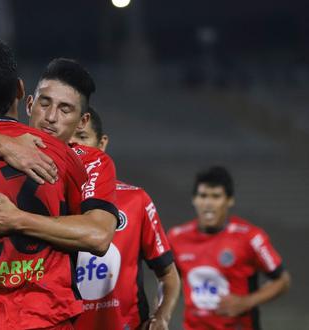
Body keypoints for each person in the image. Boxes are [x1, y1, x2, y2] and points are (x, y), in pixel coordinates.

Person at [0, 39, 116, 329]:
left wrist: (16, 219)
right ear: (24, 95)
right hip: (45, 317)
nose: (51, 118)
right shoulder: (63, 158)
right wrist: (5, 145)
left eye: (65, 109)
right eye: (45, 103)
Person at [70, 107, 180, 330]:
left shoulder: (136, 200)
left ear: (101, 144)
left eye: (82, 137)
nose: (75, 148)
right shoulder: (45, 202)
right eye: (67, 140)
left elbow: (169, 276)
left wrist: (162, 316)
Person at [167, 166, 291, 330]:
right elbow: (169, 281)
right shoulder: (176, 237)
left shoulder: (251, 238)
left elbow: (283, 280)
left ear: (229, 200)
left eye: (216, 196)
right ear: (194, 199)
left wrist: (246, 302)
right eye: (203, 196)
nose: (208, 203)